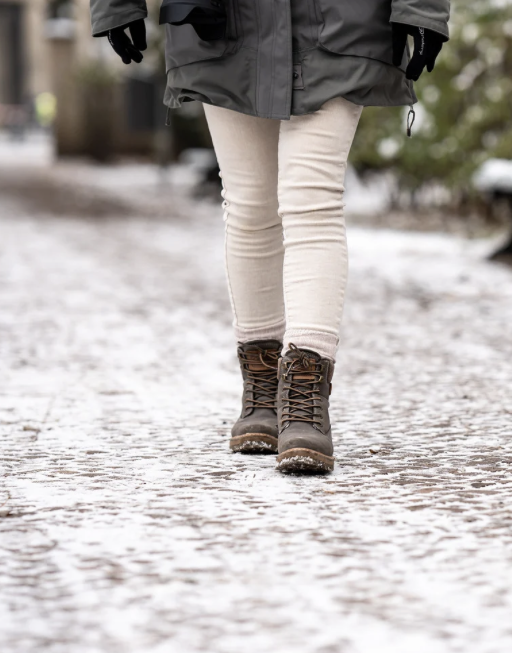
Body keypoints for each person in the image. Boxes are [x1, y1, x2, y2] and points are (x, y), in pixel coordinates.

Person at [89, 0, 450, 474]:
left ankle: (303, 396)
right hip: (221, 20)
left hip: (339, 21)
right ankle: (261, 390)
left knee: (312, 198)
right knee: (249, 204)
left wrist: (422, 8)